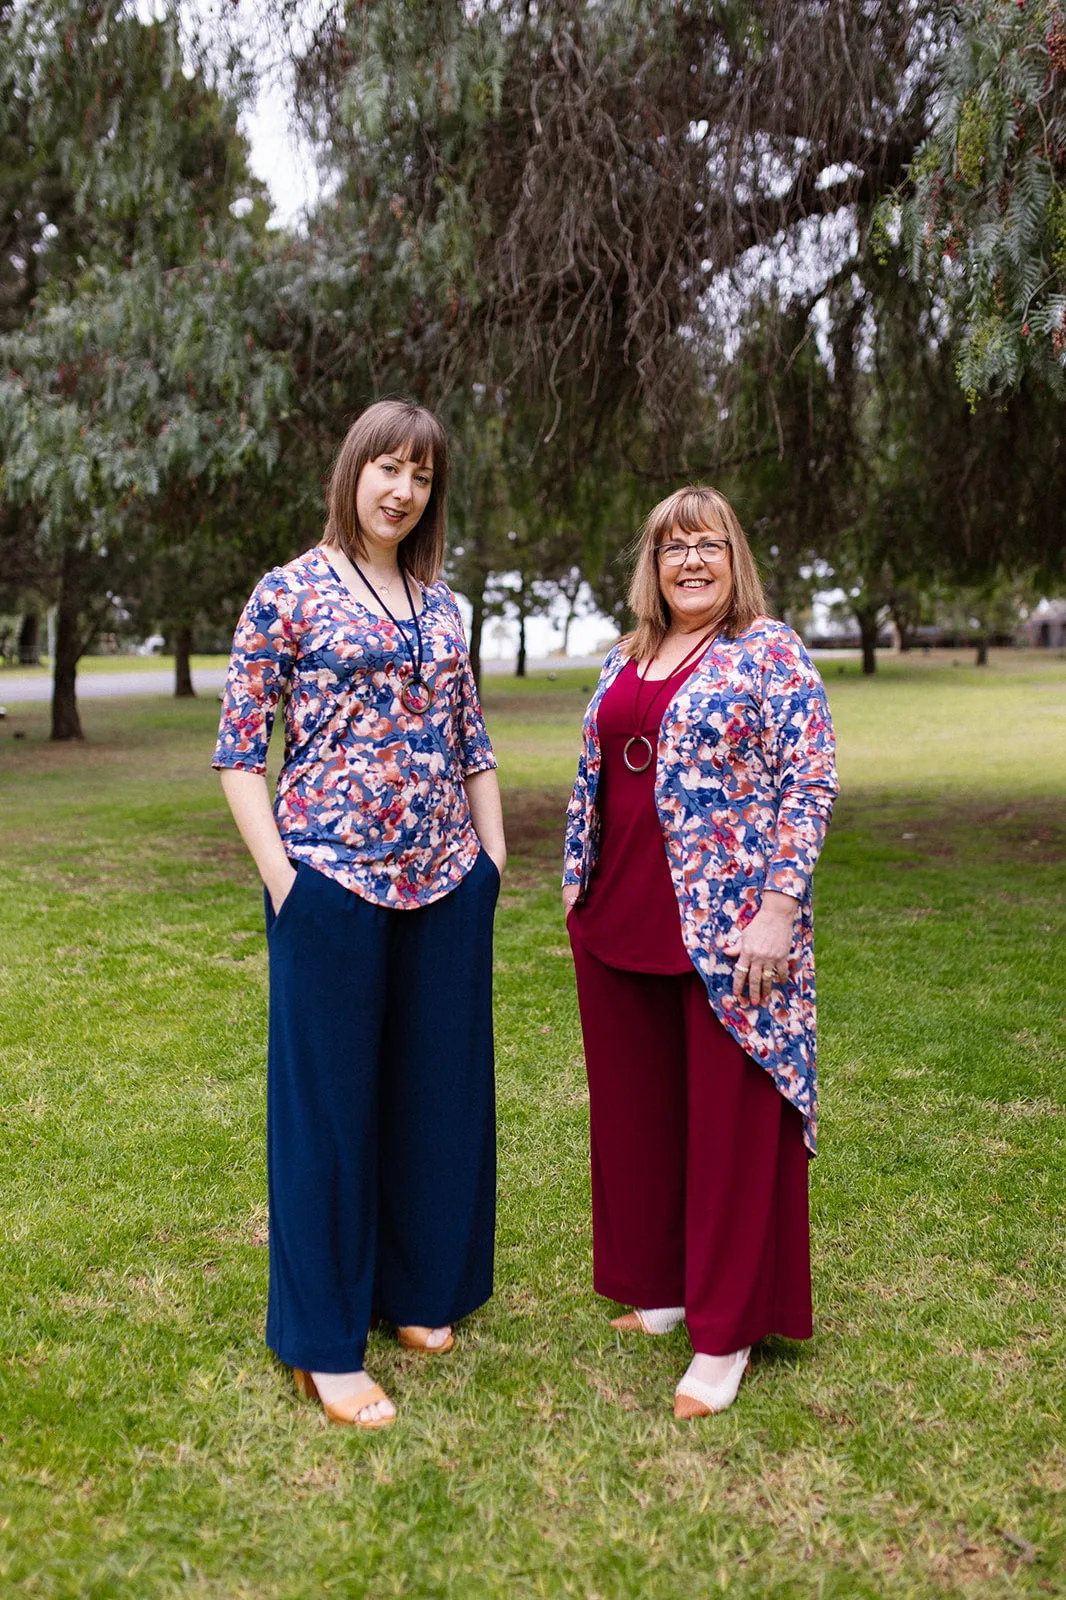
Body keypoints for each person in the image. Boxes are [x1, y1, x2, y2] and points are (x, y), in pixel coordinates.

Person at [213, 399, 505, 1429]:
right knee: (328, 1114)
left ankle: (417, 1294)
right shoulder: (288, 593)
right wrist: (286, 883)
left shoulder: (442, 604)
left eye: (421, 476)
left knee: (434, 1095)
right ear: (352, 472)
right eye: (388, 467)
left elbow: (472, 741)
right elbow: (240, 751)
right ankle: (324, 1345)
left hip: (442, 879)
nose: (402, 490)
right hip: (329, 880)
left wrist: (492, 858)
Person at [562, 486, 837, 1418]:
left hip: (729, 927)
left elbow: (811, 779)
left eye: (707, 545)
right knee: (641, 1115)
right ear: (652, 563)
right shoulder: (629, 654)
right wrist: (575, 870)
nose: (690, 561)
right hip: (623, 913)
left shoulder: (770, 651)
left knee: (730, 1126)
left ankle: (724, 1337)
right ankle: (667, 1289)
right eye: (673, 547)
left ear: (734, 557)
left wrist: (780, 908)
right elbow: (594, 766)